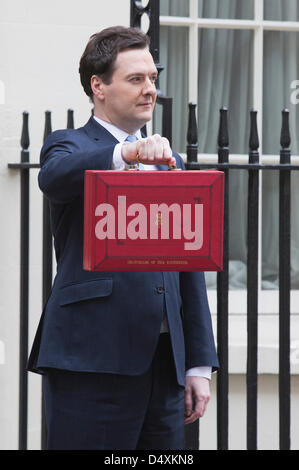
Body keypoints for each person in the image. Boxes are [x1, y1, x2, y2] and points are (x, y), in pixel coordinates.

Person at [28, 25, 219, 450]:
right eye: (136, 79)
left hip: (164, 370)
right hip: (91, 365)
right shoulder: (69, 146)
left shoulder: (173, 162)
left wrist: (199, 364)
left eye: (153, 77)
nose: (150, 89)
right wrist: (125, 154)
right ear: (98, 86)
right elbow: (54, 179)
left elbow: (188, 266)